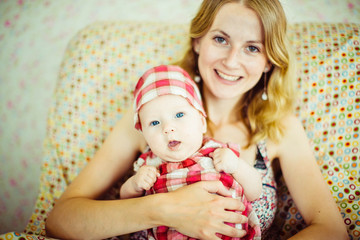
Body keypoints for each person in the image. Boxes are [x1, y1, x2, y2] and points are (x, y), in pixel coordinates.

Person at [45, 0, 349, 239]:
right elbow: (61, 220)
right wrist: (163, 209)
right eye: (220, 39)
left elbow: (331, 231)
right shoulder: (152, 116)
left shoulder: (278, 128)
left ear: (269, 61)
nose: (231, 61)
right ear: (197, 41)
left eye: (252, 47)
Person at [120, 65, 262, 240]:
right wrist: (134, 184)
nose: (168, 128)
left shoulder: (218, 153)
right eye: (155, 123)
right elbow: (124, 200)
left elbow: (255, 192)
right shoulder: (150, 165)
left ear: (202, 122)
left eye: (179, 115)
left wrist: (236, 165)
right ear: (145, 135)